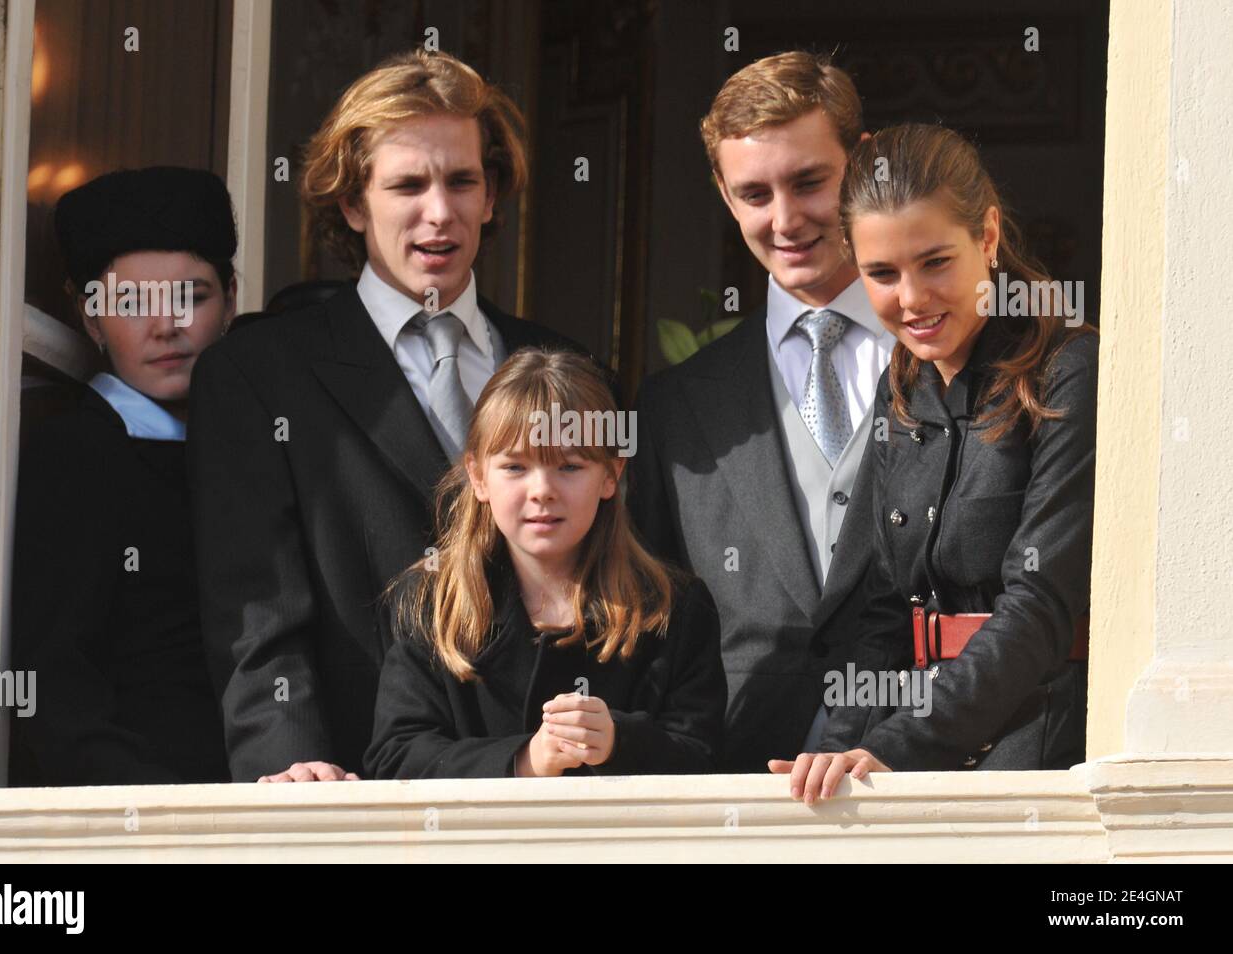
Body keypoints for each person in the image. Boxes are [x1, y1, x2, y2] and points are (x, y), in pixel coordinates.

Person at [189, 50, 585, 783]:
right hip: (357, 789)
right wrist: (289, 762)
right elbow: (255, 612)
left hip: (545, 791)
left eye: (462, 180)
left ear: (492, 196)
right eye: (407, 184)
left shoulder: (564, 364)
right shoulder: (258, 375)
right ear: (351, 202)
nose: (440, 211)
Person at [774, 123, 1099, 802]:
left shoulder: (1068, 370)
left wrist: (893, 749)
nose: (912, 300)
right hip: (907, 744)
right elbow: (880, 608)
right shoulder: (904, 389)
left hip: (1035, 741)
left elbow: (1040, 606)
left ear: (986, 235)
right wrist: (836, 759)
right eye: (882, 274)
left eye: (935, 262)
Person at [627, 51, 894, 772]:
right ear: (722, 191)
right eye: (753, 193)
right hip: (740, 784)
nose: (785, 219)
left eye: (809, 182)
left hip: (932, 773)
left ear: (864, 163)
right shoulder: (675, 406)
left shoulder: (951, 356)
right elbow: (648, 627)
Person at [365, 349, 726, 779]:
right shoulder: (430, 602)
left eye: (570, 466)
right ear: (478, 476)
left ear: (611, 475)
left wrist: (618, 742)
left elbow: (702, 759)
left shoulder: (673, 608)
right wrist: (524, 761)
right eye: (515, 466)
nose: (542, 491)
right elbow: (397, 758)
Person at [10, 166, 235, 785]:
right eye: (131, 304)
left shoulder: (255, 445)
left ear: (231, 299)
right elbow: (54, 684)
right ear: (89, 319)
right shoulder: (73, 456)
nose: (166, 327)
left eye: (190, 296)